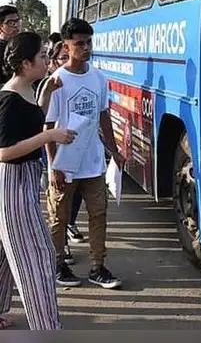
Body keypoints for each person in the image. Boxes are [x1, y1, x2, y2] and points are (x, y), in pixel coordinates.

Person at [39, 18, 124, 289]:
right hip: (65, 164)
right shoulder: (57, 82)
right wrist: (54, 166)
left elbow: (103, 118)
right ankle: (58, 263)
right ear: (66, 45)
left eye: (88, 42)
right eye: (79, 43)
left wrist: (114, 151)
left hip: (94, 164)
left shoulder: (99, 78)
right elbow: (49, 127)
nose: (86, 48)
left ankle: (98, 267)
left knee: (99, 215)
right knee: (59, 216)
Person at [0, 31, 77, 329]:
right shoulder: (8, 100)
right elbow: (4, 151)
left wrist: (45, 97)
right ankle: (47, 327)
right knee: (38, 257)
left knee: (7, 254)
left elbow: (31, 120)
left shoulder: (28, 90)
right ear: (25, 63)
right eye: (43, 56)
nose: (48, 60)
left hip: (24, 182)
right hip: (13, 185)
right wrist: (50, 135)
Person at [35, 41, 84, 267]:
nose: (67, 62)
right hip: (53, 148)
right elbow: (42, 122)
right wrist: (53, 163)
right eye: (61, 59)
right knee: (58, 198)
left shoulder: (85, 80)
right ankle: (60, 248)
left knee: (75, 196)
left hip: (77, 149)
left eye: (68, 57)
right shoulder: (50, 85)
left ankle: (69, 228)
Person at [0, 6, 21, 84]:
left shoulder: (22, 45)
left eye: (18, 21)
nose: (16, 25)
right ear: (1, 26)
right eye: (11, 23)